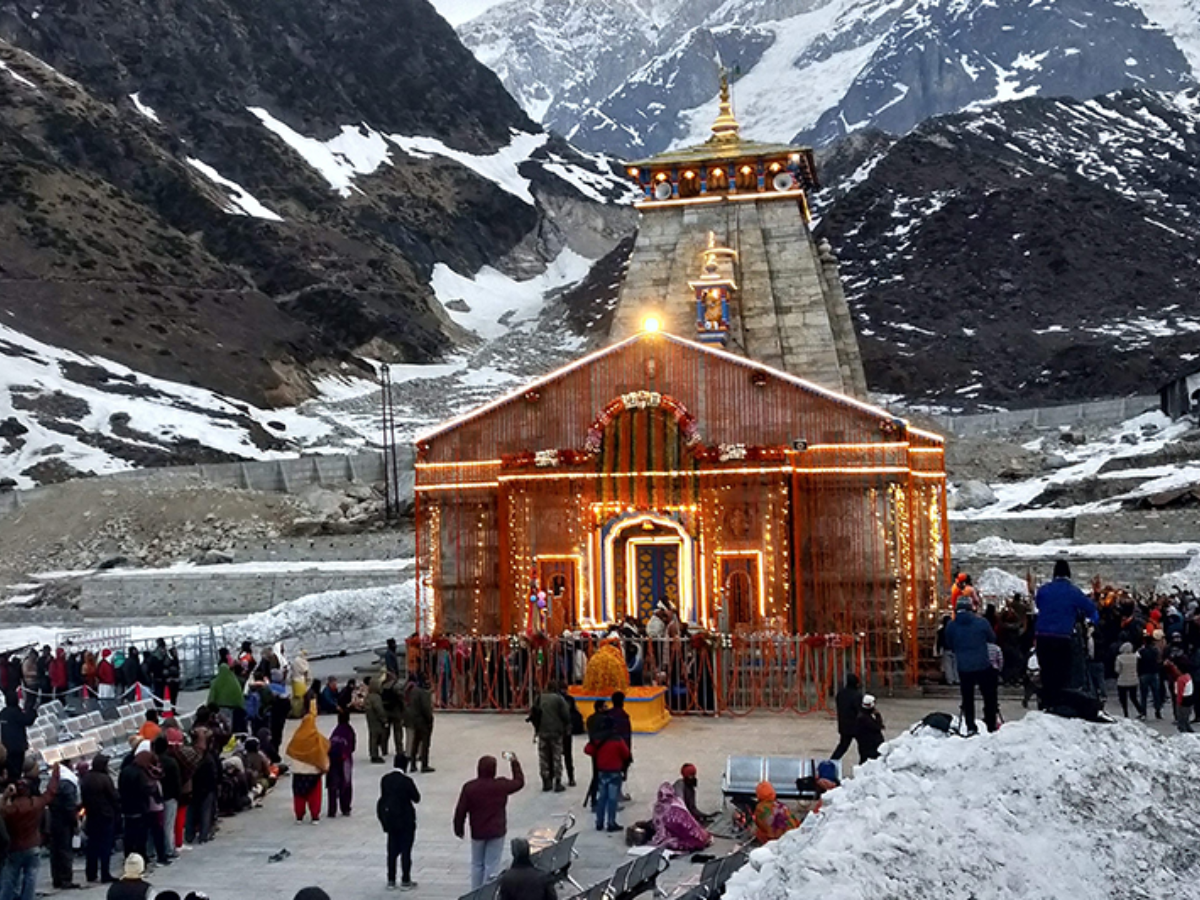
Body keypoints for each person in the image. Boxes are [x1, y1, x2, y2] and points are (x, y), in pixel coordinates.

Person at [453, 753, 525, 891]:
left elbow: (460, 810)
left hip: (478, 831)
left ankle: (476, 892)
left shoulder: (470, 787)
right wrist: (514, 763)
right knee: (492, 864)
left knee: (477, 864)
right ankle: (488, 892)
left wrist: (458, 828)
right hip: (496, 831)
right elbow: (519, 782)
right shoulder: (500, 785)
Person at [1034, 560, 1098, 707]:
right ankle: (1059, 704)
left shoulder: (1043, 590)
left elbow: (1038, 604)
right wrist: (1091, 622)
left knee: (1046, 671)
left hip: (1042, 636)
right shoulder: (1073, 591)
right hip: (1062, 637)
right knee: (1061, 673)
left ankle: (1046, 703)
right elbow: (1091, 610)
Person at [0, 763, 59, 900]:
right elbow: (50, 793)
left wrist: (5, 796)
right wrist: (56, 774)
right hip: (33, 844)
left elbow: (1, 811)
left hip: (15, 847)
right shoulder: (35, 803)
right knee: (31, 876)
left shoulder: (12, 809)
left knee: (9, 878)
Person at [945, 596, 1000, 734]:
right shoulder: (981, 623)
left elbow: (949, 644)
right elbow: (992, 638)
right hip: (982, 664)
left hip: (963, 666)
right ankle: (991, 723)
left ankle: (970, 726)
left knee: (967, 697)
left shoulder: (951, 625)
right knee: (989, 695)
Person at [377, 753, 421, 891]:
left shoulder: (385, 779)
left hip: (391, 820)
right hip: (406, 820)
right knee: (406, 851)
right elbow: (416, 798)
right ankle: (405, 880)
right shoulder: (406, 781)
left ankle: (391, 879)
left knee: (391, 851)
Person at [287, 701, 330, 824]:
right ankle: (314, 816)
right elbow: (325, 748)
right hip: (313, 771)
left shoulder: (297, 737)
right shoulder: (316, 738)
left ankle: (299, 816)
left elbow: (290, 750)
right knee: (314, 796)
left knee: (299, 796)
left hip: (298, 771)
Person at [584, 720, 630, 834]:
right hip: (615, 772)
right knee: (612, 798)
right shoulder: (618, 740)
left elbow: (587, 750)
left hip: (601, 772)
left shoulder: (597, 739)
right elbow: (626, 754)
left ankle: (599, 822)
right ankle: (611, 823)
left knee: (602, 797)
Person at [81, 753, 120, 884]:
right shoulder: (104, 779)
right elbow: (113, 797)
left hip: (91, 815)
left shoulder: (86, 778)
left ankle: (90, 873)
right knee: (105, 846)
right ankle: (105, 873)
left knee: (92, 846)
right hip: (106, 816)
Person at [531, 681, 570, 792]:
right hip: (556, 732)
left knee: (544, 757)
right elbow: (566, 715)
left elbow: (534, 713)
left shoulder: (539, 698)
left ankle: (546, 781)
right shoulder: (559, 699)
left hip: (542, 732)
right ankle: (557, 782)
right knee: (556, 756)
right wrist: (566, 727)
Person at [650, 781, 711, 851]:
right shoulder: (677, 802)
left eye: (667, 796)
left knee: (668, 843)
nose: (664, 798)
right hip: (698, 836)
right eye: (661, 795)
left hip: (690, 837)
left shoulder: (673, 810)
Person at [48, 761, 81, 888]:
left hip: (54, 820)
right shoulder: (68, 783)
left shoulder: (54, 783)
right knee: (65, 850)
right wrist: (74, 821)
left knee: (55, 851)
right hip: (64, 822)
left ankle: (57, 878)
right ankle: (66, 879)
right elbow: (69, 806)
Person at [0, 691, 37, 785]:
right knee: (17, 768)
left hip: (6, 746)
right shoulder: (16, 713)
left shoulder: (3, 713)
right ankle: (16, 783)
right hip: (18, 746)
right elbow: (28, 720)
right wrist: (33, 711)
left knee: (10, 768)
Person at [154, 736, 181, 860]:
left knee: (157, 826)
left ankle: (156, 850)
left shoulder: (154, 762)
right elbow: (177, 781)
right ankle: (170, 849)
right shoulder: (171, 762)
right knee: (169, 825)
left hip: (157, 798)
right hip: (170, 797)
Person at [401, 676, 435, 774]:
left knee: (415, 742)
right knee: (425, 744)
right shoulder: (424, 693)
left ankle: (413, 764)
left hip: (414, 720)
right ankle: (424, 765)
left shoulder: (412, 691)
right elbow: (426, 709)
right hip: (423, 721)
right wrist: (430, 719)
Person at [327, 710, 356, 818]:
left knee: (332, 785)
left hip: (332, 759)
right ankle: (345, 808)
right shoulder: (349, 731)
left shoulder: (335, 731)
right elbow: (352, 747)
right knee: (346, 784)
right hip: (344, 760)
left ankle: (332, 810)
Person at [752, 781, 799, 845]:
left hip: (775, 841)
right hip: (794, 837)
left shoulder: (760, 808)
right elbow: (796, 822)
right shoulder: (782, 806)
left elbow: (761, 826)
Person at [830, 672, 863, 760]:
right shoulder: (857, 695)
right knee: (864, 745)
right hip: (856, 726)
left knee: (843, 746)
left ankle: (832, 761)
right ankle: (864, 763)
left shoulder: (840, 694)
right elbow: (860, 710)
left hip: (843, 724)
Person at [207, 663, 246, 734]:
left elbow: (211, 696)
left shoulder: (215, 682)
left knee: (222, 725)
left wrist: (209, 706)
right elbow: (239, 696)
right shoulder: (234, 682)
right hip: (233, 709)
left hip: (219, 708)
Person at [608, 692, 633, 801]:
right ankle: (616, 794)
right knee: (618, 771)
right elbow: (626, 736)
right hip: (620, 747)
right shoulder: (623, 716)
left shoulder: (608, 715)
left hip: (607, 747)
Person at [1114, 641, 1145, 719]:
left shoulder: (1119, 658)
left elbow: (1117, 670)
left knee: (1123, 698)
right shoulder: (1135, 657)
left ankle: (1126, 713)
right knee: (1133, 697)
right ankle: (1141, 711)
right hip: (1133, 679)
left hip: (1122, 681)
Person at [855, 695, 885, 763]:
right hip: (871, 745)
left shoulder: (862, 715)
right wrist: (878, 716)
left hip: (865, 744)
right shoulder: (865, 718)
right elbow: (877, 727)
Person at [365, 677, 389, 763]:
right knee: (377, 737)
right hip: (376, 720)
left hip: (371, 719)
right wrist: (384, 719)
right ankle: (375, 755)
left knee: (373, 736)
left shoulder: (368, 696)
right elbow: (379, 710)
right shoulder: (376, 697)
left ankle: (373, 753)